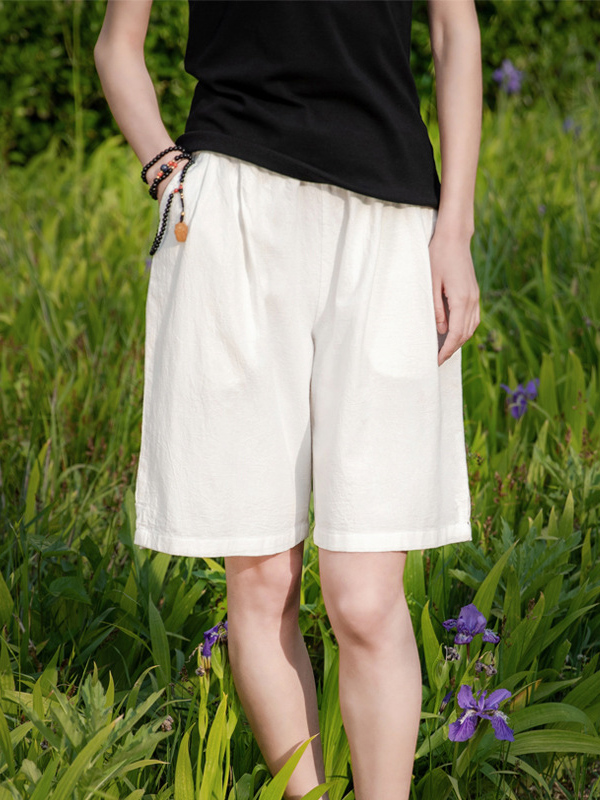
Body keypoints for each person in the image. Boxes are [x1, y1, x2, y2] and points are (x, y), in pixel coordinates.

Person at [94, 1, 481, 798]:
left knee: (366, 599)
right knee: (263, 581)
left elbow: (454, 30)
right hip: (233, 212)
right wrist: (166, 173)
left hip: (388, 222)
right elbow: (117, 43)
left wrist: (455, 231)